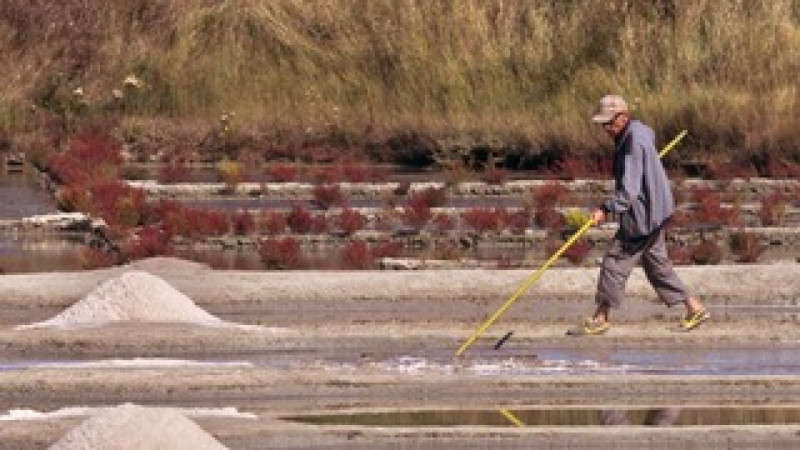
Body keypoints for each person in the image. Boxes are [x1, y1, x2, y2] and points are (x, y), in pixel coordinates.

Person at [574, 94, 709, 335]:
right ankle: (694, 307)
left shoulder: (632, 143)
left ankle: (601, 317)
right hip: (658, 210)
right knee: (658, 266)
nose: (606, 128)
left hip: (644, 215)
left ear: (623, 117)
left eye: (609, 123)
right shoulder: (641, 131)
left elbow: (629, 191)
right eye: (603, 124)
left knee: (615, 262)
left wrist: (606, 209)